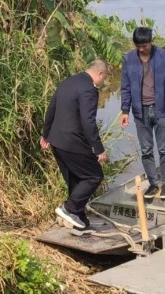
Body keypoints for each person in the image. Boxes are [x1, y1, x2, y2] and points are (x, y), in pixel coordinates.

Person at [40, 59, 111, 230]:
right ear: (100, 74)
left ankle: (77, 219)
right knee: (94, 176)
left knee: (76, 179)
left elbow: (52, 108)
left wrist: (46, 134)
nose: (103, 82)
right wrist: (98, 148)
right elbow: (88, 121)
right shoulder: (89, 90)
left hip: (57, 141)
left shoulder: (67, 82)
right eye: (105, 78)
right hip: (73, 142)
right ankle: (69, 208)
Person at [119, 27, 165, 200]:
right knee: (146, 150)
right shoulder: (129, 59)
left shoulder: (164, 57)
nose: (142, 49)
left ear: (151, 42)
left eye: (145, 46)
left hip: (161, 109)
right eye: (138, 46)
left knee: (164, 149)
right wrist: (124, 110)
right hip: (140, 112)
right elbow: (125, 86)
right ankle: (153, 184)